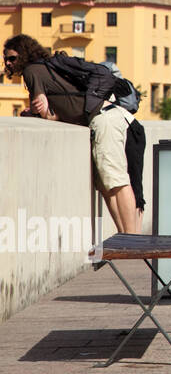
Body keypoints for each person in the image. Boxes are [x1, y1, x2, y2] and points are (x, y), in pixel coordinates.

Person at [4, 34, 142, 235]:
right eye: (5, 58)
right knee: (106, 186)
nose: (8, 63)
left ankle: (133, 239)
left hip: (104, 119)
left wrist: (35, 112)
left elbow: (43, 108)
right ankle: (125, 236)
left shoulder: (32, 71)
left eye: (12, 58)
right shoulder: (46, 68)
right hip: (105, 117)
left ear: (24, 55)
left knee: (117, 181)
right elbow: (54, 111)